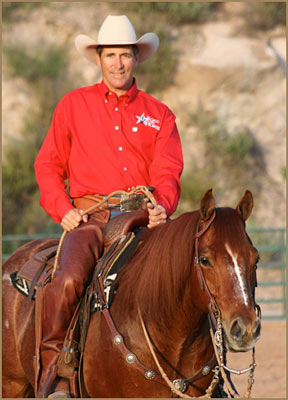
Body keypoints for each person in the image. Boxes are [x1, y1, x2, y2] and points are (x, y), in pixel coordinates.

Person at [34, 15, 183, 397]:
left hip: (143, 215)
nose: (119, 63)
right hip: (90, 217)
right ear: (99, 59)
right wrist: (61, 207)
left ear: (137, 58)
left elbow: (167, 171)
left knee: (185, 274)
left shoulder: (159, 114)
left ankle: (201, 368)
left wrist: (162, 205)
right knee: (67, 280)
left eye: (126, 55)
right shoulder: (72, 105)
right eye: (111, 55)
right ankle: (58, 374)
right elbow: (48, 165)